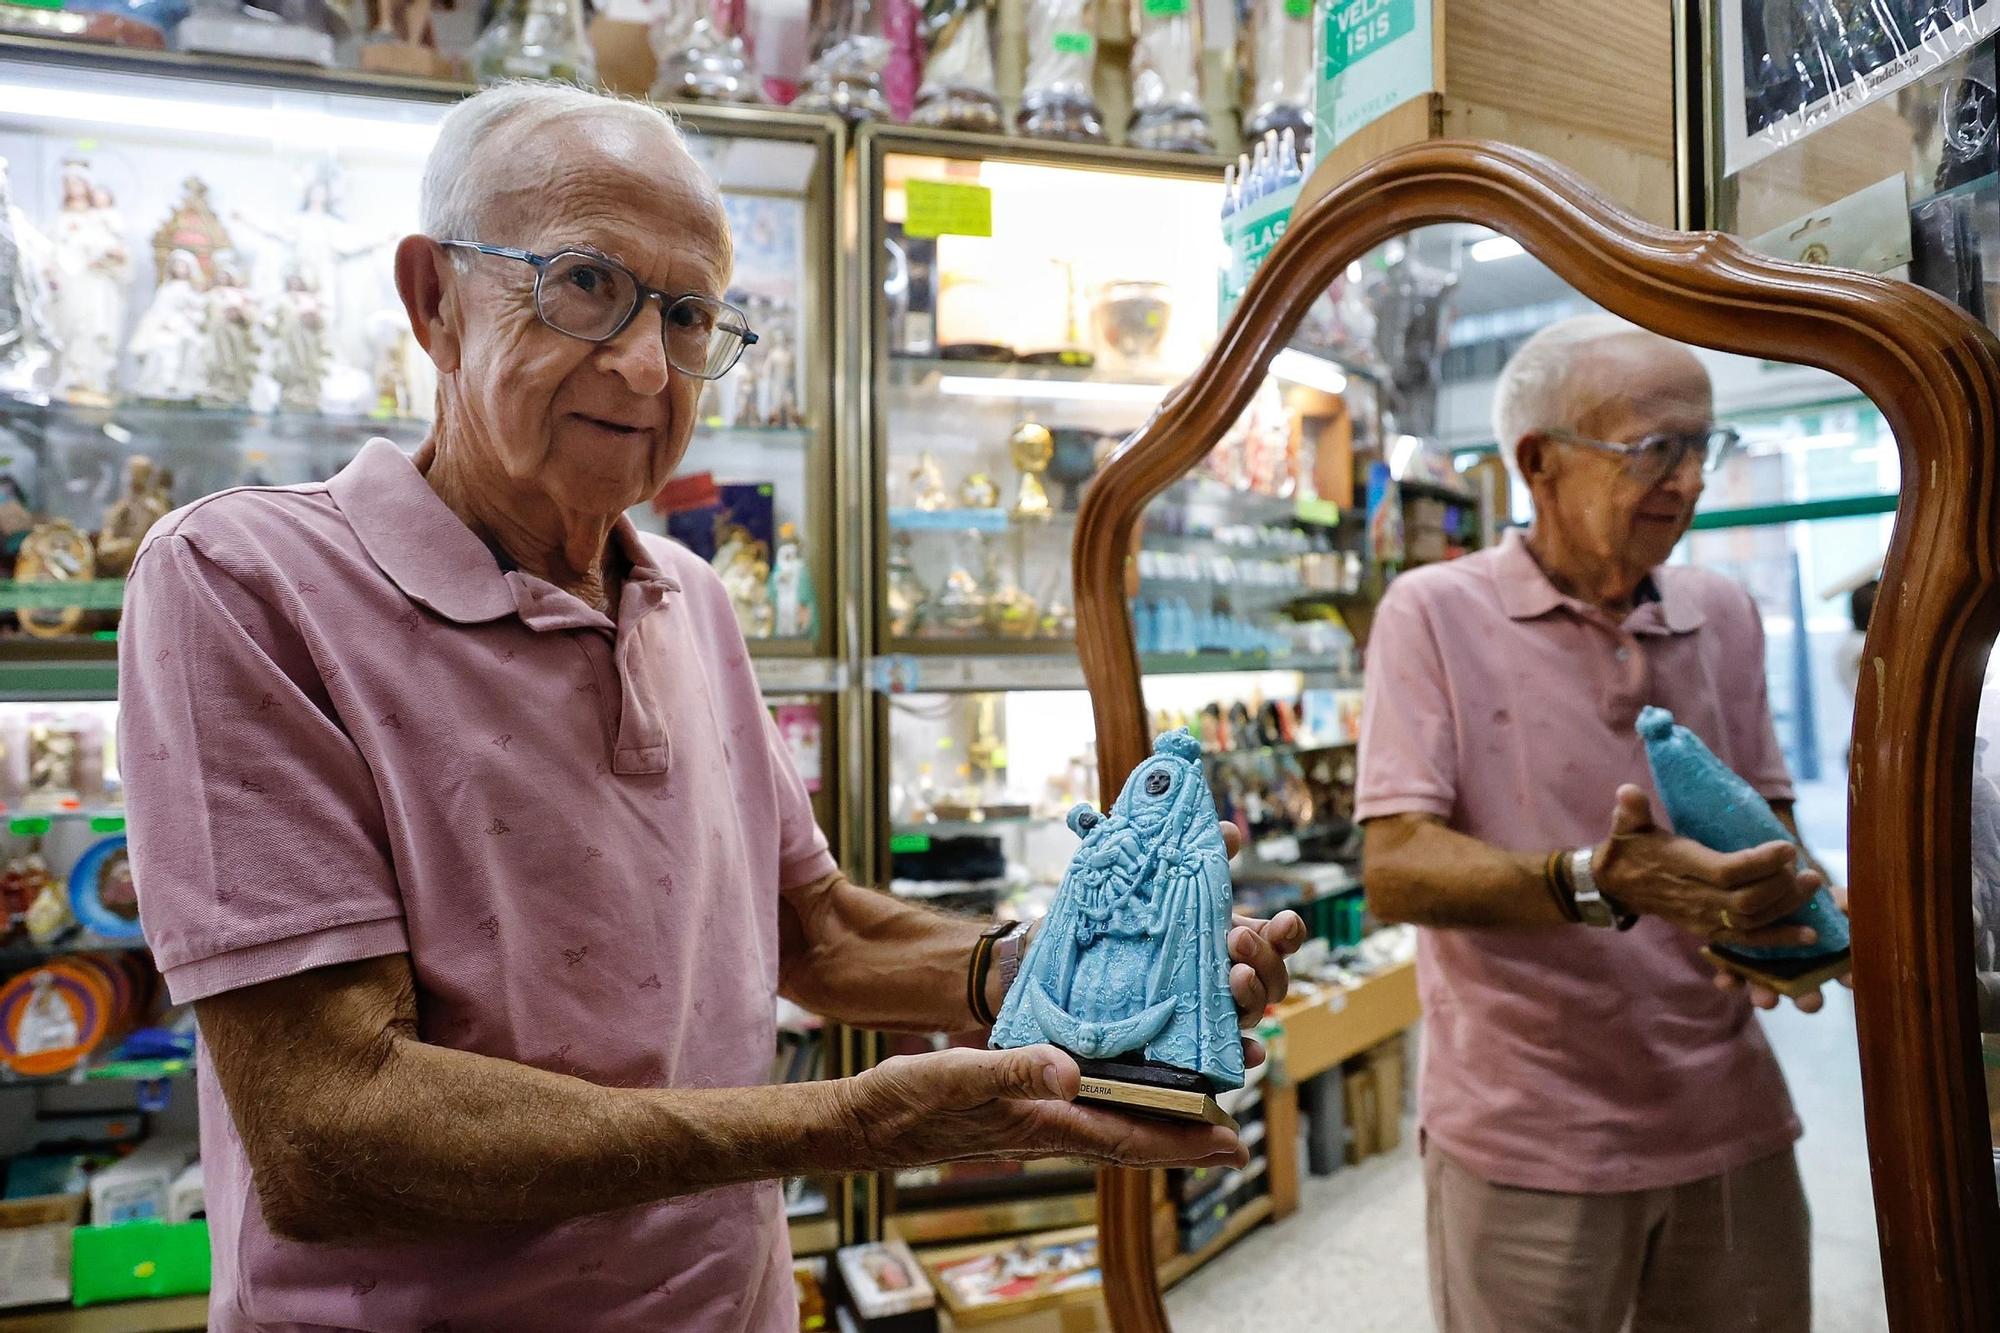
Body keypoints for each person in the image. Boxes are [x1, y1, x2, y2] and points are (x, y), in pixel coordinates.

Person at [118, 83, 1304, 1332]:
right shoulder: (243, 582)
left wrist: (1044, 971)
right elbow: (329, 1134)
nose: (641, 363)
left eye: (687, 315)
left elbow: (813, 934)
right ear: (434, 302)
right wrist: (849, 1123)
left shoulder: (686, 592)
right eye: (584, 283)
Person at [1357, 314, 1845, 1333]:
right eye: (1653, 449)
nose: (1689, 482)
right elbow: (1395, 865)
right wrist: (1595, 879)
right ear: (1537, 462)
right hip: (1526, 1129)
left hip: (1727, 1113)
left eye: (1702, 446)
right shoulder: (1430, 611)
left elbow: (1768, 824)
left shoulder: (1722, 609)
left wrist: (1781, 910)